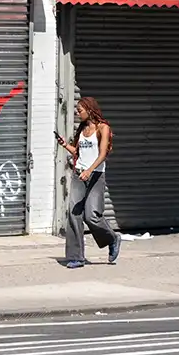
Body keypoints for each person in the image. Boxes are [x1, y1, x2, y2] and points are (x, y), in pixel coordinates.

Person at [57, 96, 121, 268]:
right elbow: (77, 152)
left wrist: (90, 170)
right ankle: (76, 257)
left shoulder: (103, 128)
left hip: (95, 175)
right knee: (74, 214)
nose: (78, 113)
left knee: (91, 215)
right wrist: (64, 145)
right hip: (79, 175)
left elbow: (102, 154)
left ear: (90, 109)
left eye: (80, 110)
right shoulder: (83, 129)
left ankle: (112, 238)